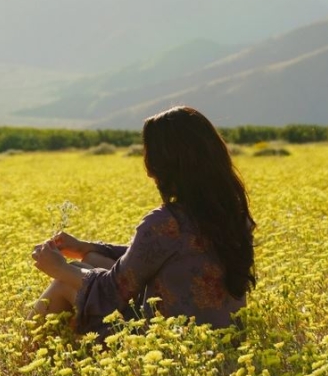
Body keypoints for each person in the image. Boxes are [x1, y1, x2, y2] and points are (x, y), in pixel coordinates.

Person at [30, 106, 256, 341]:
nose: (149, 173)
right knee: (92, 260)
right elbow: (152, 257)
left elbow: (113, 290)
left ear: (167, 165)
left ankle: (25, 357)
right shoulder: (232, 213)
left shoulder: (166, 222)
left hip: (173, 344)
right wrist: (88, 248)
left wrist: (59, 268)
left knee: (64, 283)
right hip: (226, 338)